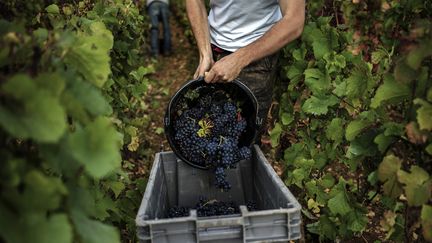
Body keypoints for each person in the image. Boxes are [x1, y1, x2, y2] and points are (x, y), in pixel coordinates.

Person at [186, 0, 305, 142]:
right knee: (208, 135)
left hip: (256, 59)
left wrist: (239, 59)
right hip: (212, 48)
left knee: (242, 142)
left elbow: (294, 21)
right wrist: (205, 53)